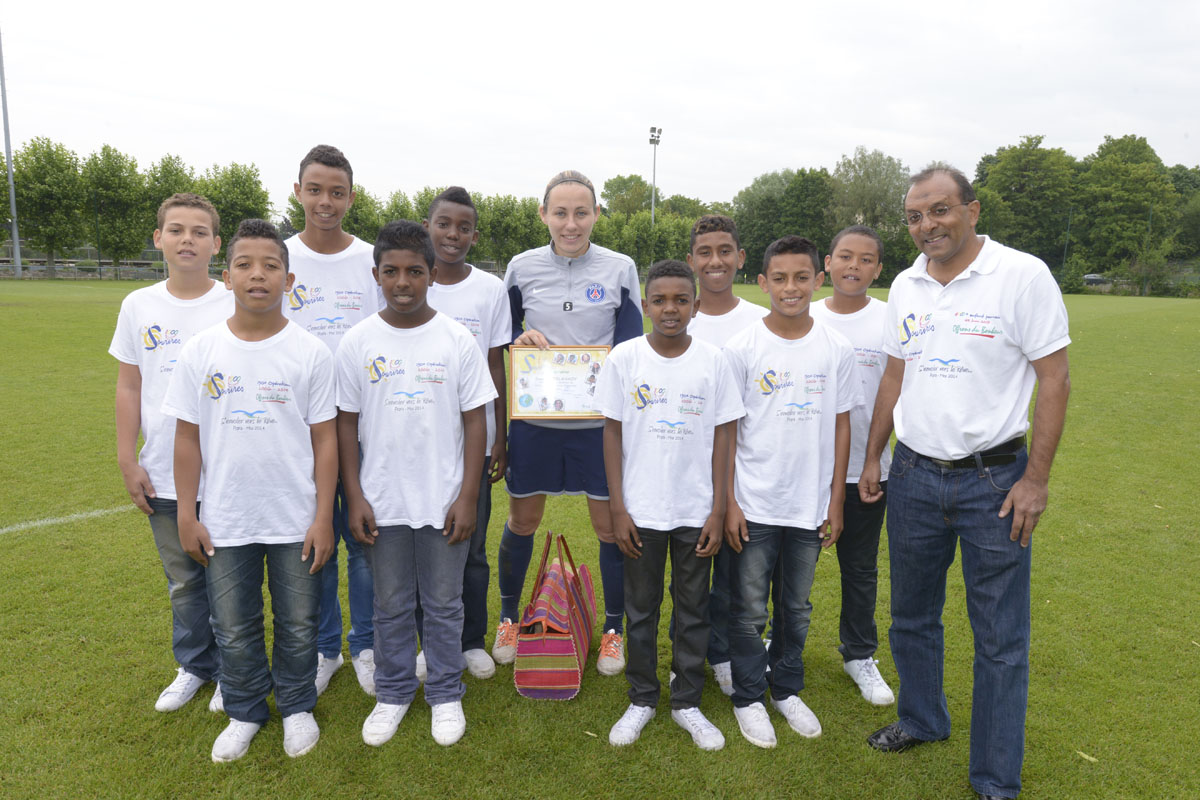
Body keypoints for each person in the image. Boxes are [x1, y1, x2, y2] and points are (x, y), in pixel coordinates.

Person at [860, 167, 1071, 800]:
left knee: (1001, 638)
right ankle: (922, 719)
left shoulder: (1022, 275)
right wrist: (874, 457)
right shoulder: (906, 283)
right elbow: (894, 379)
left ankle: (994, 779)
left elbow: (1055, 381)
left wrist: (1035, 480)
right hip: (916, 476)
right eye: (916, 216)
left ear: (972, 210)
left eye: (940, 210)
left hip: (996, 482)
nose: (927, 225)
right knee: (912, 618)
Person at [164, 219, 338, 762]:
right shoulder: (201, 350)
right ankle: (243, 709)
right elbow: (187, 438)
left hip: (294, 517)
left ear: (289, 280)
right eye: (245, 265)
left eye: (270, 266)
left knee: (298, 622)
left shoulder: (310, 352)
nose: (257, 275)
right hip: (225, 518)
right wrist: (188, 514)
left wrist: (323, 516)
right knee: (233, 625)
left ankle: (297, 706)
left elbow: (327, 441)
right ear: (227, 276)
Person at [335, 221, 495, 748]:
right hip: (382, 501)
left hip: (444, 499)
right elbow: (344, 424)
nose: (402, 282)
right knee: (392, 602)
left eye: (414, 271)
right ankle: (395, 691)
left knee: (446, 603)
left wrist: (469, 495)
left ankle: (446, 693)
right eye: (391, 271)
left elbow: (477, 421)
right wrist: (355, 495)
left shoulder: (456, 339)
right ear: (375, 274)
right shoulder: (357, 341)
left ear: (431, 275)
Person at [494, 170, 643, 675]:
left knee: (608, 529)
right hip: (535, 424)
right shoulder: (520, 267)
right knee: (523, 522)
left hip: (598, 426)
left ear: (597, 214)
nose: (571, 223)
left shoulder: (621, 268)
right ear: (544, 215)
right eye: (561, 212)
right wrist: (520, 340)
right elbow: (502, 335)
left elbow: (630, 346)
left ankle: (614, 630)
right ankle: (509, 618)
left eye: (582, 212)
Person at [598, 260, 743, 751]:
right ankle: (641, 697)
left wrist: (719, 508)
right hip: (640, 511)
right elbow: (612, 435)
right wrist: (619, 508)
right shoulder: (624, 358)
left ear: (696, 306)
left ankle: (687, 702)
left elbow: (725, 436)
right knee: (640, 610)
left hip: (696, 511)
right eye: (659, 300)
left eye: (681, 299)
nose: (670, 309)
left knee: (693, 609)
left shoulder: (713, 360)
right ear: (645, 305)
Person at [722, 235, 859, 748]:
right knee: (750, 608)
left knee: (796, 608)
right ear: (761, 283)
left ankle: (786, 689)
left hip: (810, 504)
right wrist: (731, 501)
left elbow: (842, 426)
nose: (791, 287)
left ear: (817, 280)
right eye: (778, 278)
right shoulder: (742, 347)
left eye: (801, 277)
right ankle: (749, 697)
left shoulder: (835, 347)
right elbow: (728, 430)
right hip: (755, 501)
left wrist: (837, 499)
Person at [109, 192, 231, 713]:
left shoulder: (234, 300)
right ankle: (194, 666)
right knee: (184, 579)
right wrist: (126, 457)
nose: (187, 239)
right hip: (161, 468)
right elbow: (129, 386)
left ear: (216, 244)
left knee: (229, 583)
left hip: (228, 470)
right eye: (176, 230)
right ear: (158, 239)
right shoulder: (138, 305)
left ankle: (234, 671)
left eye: (199, 231)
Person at [285, 144, 381, 696]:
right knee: (313, 543)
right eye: (315, 189)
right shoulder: (279, 257)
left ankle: (364, 645)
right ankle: (326, 650)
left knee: (363, 542)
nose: (326, 201)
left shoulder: (368, 261)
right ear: (297, 191)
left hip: (363, 430)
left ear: (350, 196)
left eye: (337, 192)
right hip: (297, 433)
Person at [410, 187, 510, 682]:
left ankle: (471, 640)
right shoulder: (408, 279)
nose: (453, 235)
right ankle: (424, 639)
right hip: (417, 437)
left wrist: (500, 436)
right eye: (444, 224)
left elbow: (496, 364)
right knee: (414, 543)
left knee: (470, 546)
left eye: (464, 227)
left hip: (475, 438)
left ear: (473, 233)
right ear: (428, 226)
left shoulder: (490, 289)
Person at [809, 225, 896, 706]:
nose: (853, 267)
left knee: (860, 569)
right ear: (827, 262)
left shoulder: (889, 320)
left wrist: (871, 460)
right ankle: (772, 645)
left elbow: (894, 391)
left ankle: (859, 654)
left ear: (878, 269)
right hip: (804, 472)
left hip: (867, 467)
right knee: (782, 568)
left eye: (866, 260)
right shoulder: (804, 315)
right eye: (844, 256)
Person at [684, 213, 768, 696]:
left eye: (724, 251)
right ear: (692, 260)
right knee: (692, 576)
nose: (715, 261)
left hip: (744, 475)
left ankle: (729, 652)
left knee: (738, 578)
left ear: (739, 257)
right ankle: (698, 655)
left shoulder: (758, 321)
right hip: (685, 474)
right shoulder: (674, 311)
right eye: (705, 252)